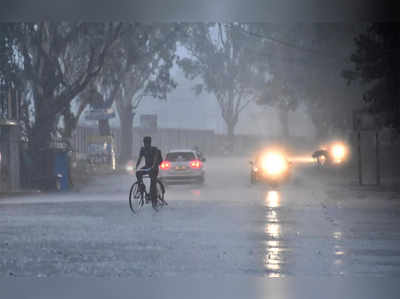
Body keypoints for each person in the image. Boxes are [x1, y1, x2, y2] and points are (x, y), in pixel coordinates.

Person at [135, 136, 163, 208]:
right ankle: (141, 187)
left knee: (152, 183)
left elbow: (155, 159)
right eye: (144, 143)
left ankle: (154, 200)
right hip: (147, 166)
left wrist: (153, 166)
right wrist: (136, 166)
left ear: (149, 143)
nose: (145, 144)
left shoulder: (155, 150)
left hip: (154, 167)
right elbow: (140, 158)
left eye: (147, 143)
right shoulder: (143, 149)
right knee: (138, 173)